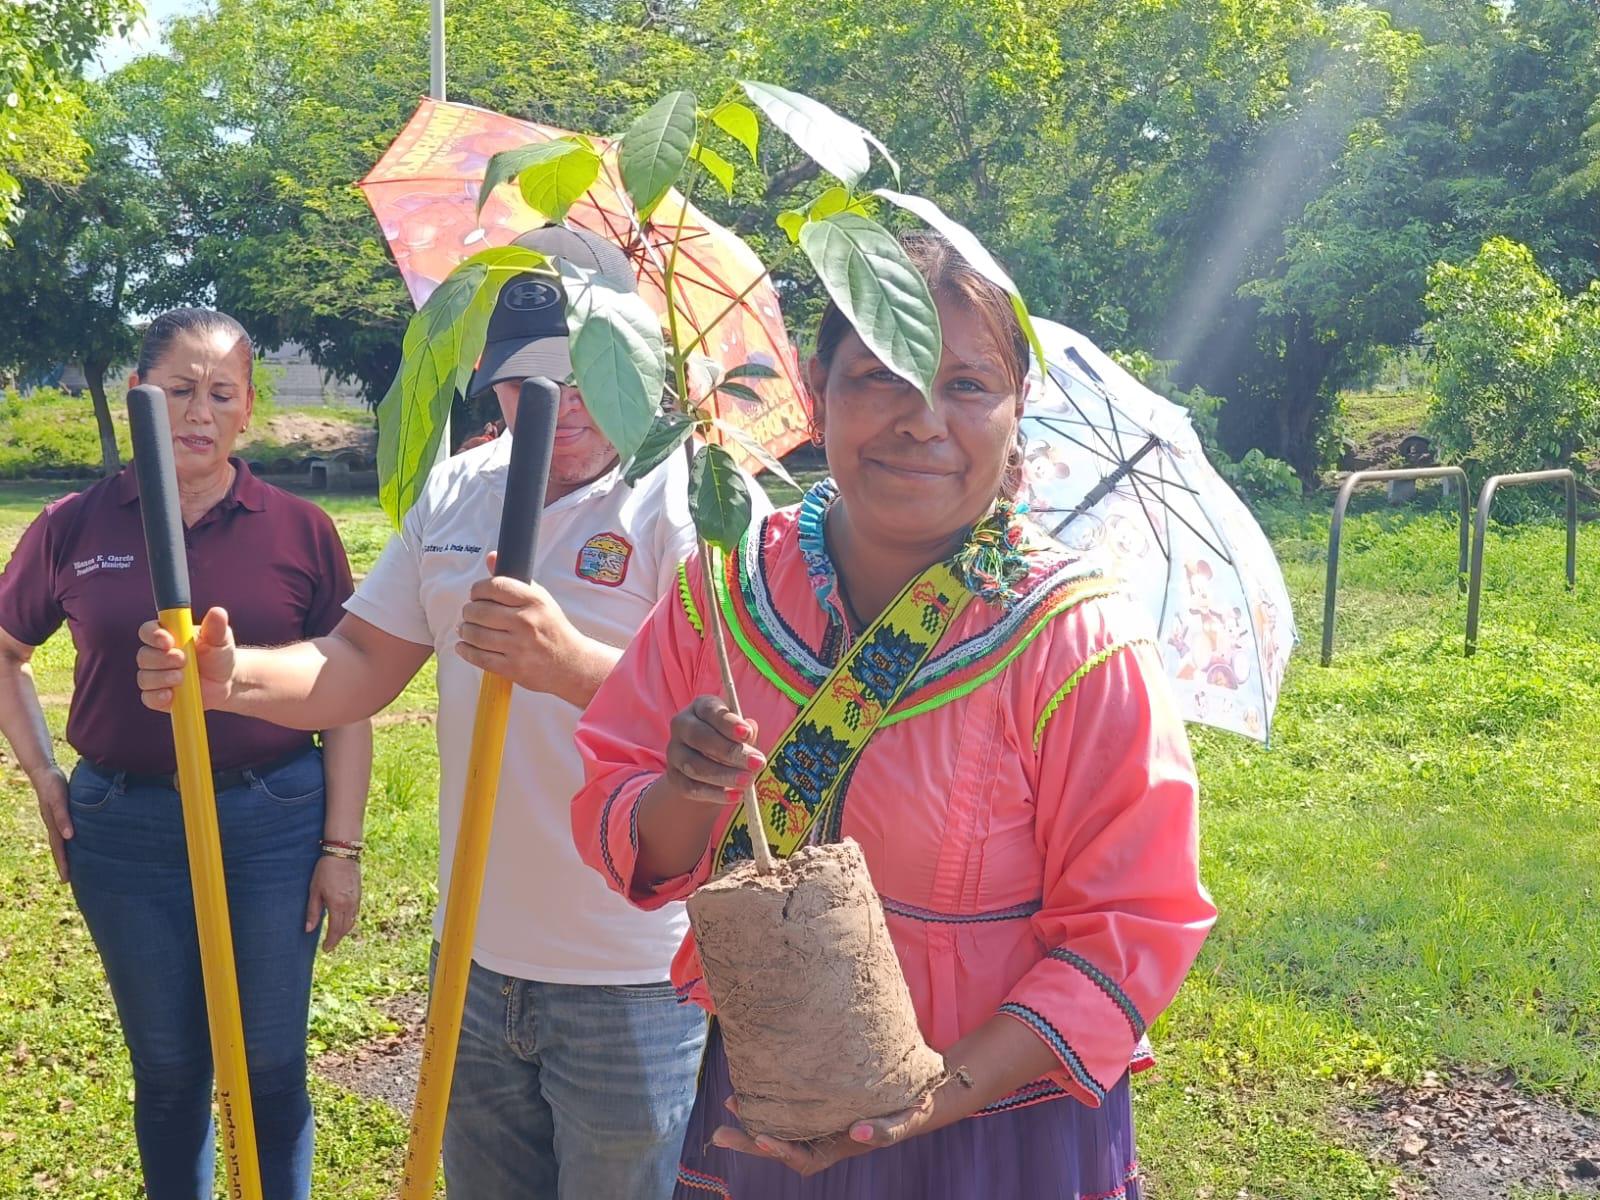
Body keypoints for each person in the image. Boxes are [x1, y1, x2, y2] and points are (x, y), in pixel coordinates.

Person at [572, 233, 1217, 1199]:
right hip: (770, 1097)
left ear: (1015, 415)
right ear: (818, 390)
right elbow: (630, 823)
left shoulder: (1074, 643)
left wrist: (921, 1103)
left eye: (967, 385)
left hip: (994, 1130)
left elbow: (1132, 925)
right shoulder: (727, 588)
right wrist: (686, 789)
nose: (922, 420)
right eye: (881, 374)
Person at [134, 225, 766, 1200]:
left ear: (641, 361)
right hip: (474, 953)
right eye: (527, 380)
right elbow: (357, 663)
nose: (561, 403)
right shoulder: (463, 486)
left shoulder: (695, 504)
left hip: (633, 970)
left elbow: (750, 723)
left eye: (594, 368)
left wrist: (576, 666)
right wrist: (228, 678)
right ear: (490, 377)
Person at [0, 308, 371, 1200]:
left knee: (274, 1067)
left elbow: (350, 698)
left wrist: (341, 848)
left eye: (221, 392)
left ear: (246, 410)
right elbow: (6, 649)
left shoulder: (300, 530)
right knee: (168, 1072)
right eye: (177, 389)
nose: (198, 411)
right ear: (140, 400)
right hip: (124, 828)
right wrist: (46, 772)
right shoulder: (74, 524)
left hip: (272, 819)